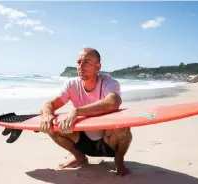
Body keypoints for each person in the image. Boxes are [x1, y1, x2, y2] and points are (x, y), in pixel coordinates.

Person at [39, 48, 132, 176]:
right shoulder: (71, 85)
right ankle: (79, 157)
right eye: (78, 62)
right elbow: (49, 104)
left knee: (124, 125)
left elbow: (113, 102)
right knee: (52, 127)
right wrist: (47, 115)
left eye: (86, 62)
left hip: (109, 142)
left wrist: (77, 111)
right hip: (84, 142)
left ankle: (119, 159)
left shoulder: (108, 82)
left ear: (98, 66)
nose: (81, 67)